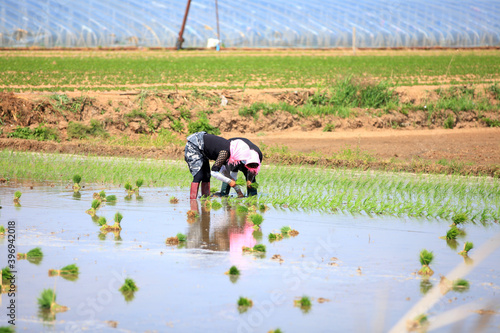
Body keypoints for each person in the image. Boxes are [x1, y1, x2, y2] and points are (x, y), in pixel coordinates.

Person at [184, 132, 261, 199]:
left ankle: (205, 199)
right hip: (194, 145)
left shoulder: (231, 155)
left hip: (204, 150)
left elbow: (223, 170)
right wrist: (230, 181)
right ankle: (193, 202)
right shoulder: (226, 153)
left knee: (206, 176)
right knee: (199, 175)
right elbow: (214, 172)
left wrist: (239, 190)